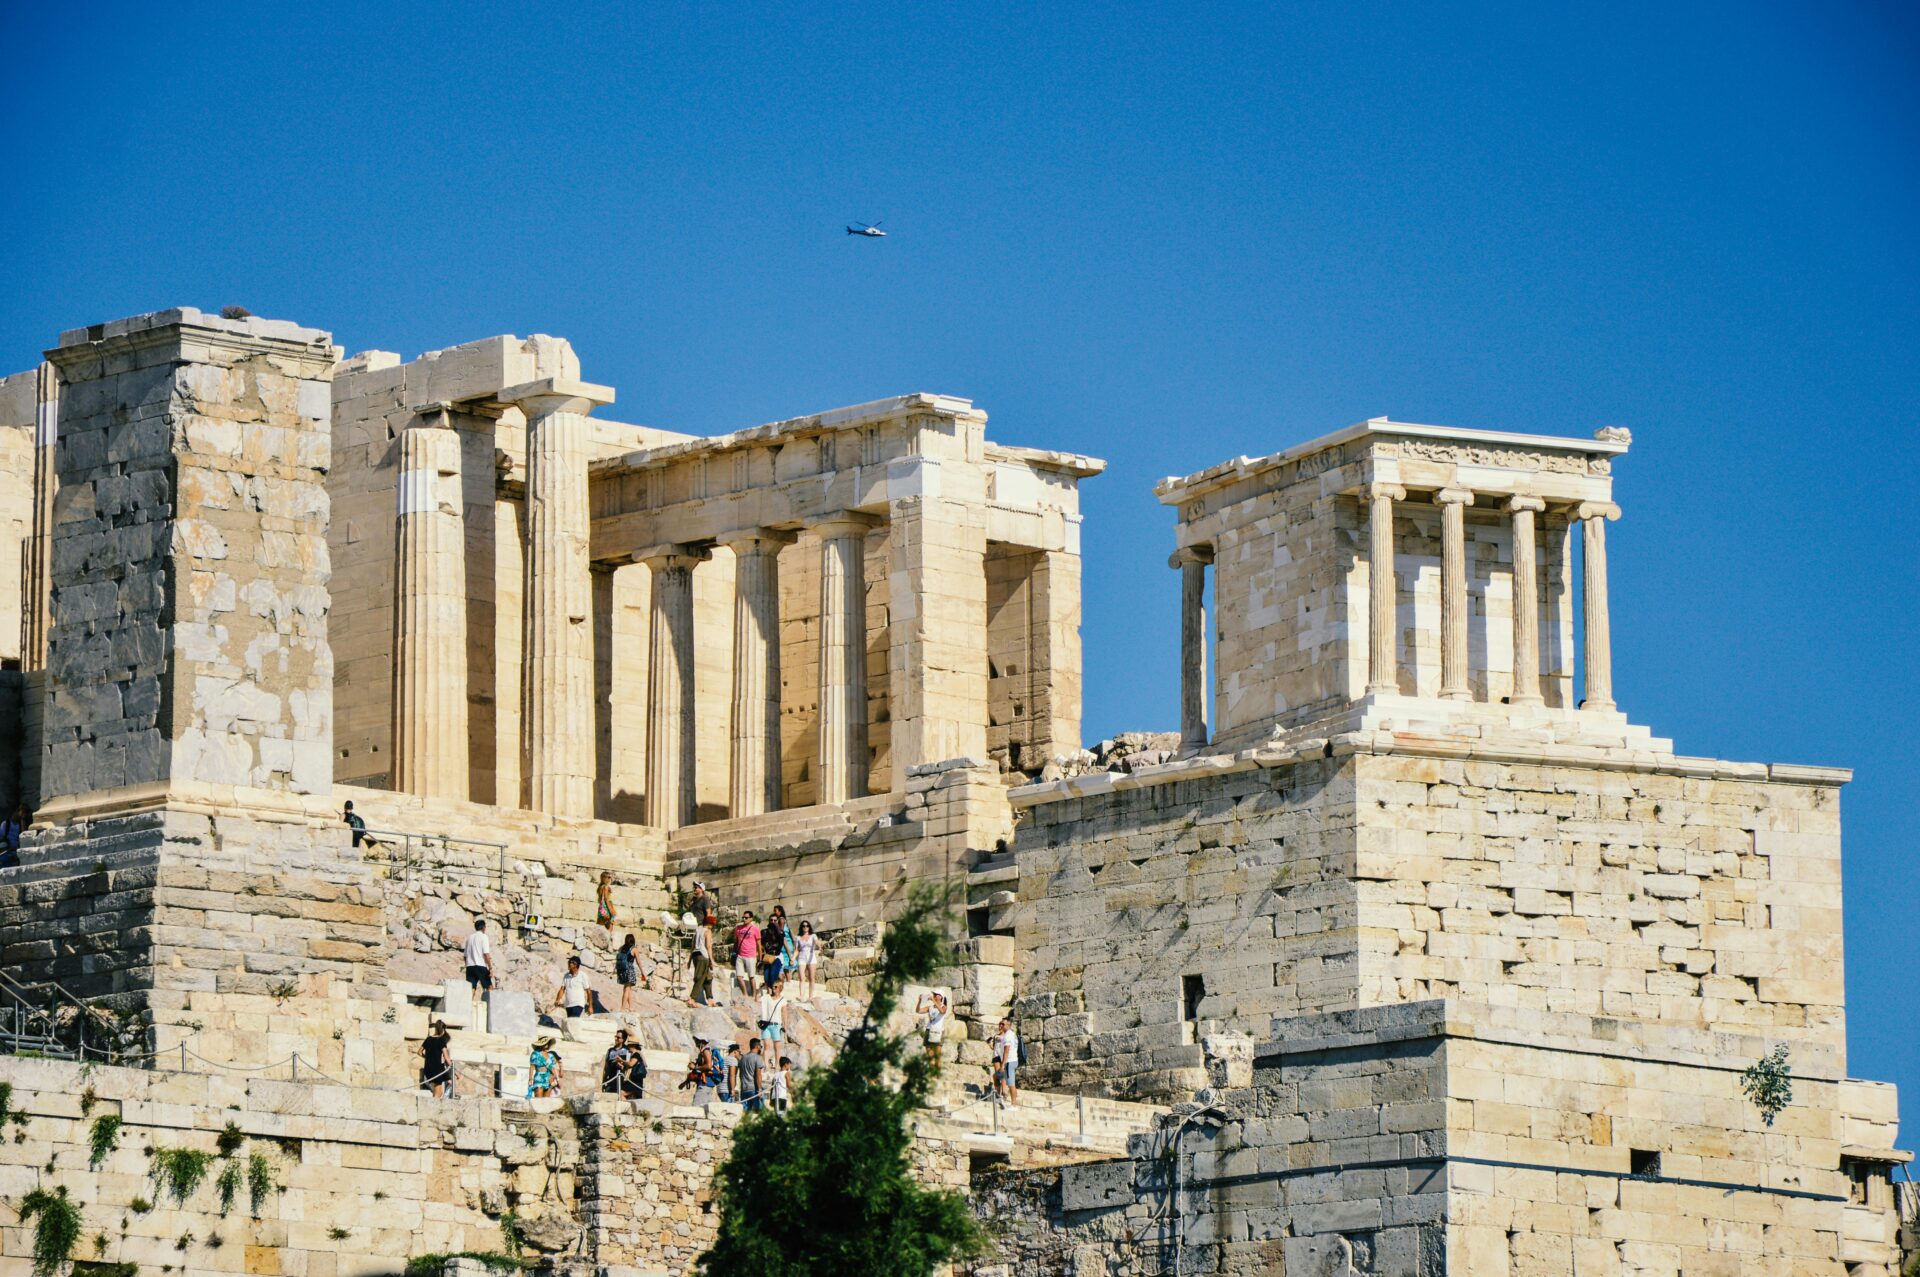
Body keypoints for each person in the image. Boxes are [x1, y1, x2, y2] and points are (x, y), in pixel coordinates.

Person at [915, 990, 949, 1070]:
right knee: (930, 1056)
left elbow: (942, 1011)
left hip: (939, 1032)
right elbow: (918, 1011)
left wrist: (932, 1000)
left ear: (940, 997)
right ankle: (932, 1074)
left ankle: (938, 1074)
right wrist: (919, 1001)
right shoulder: (930, 1007)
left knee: (937, 1056)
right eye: (934, 994)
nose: (933, 995)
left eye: (935, 994)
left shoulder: (944, 1006)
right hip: (929, 1030)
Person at [602, 1028, 641, 1096]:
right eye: (616, 1037)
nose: (616, 1039)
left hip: (622, 1080)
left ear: (623, 1039)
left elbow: (630, 1064)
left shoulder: (627, 1050)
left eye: (618, 1037)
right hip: (611, 1080)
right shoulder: (610, 1050)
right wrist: (604, 1081)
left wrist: (624, 1029)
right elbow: (607, 1067)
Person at [553, 954, 591, 1023]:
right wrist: (557, 1000)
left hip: (578, 1004)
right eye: (569, 962)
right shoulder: (566, 976)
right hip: (568, 1005)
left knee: (573, 1023)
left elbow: (588, 991)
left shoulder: (582, 976)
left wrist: (590, 1006)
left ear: (576, 965)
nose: (569, 964)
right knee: (570, 1023)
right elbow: (562, 989)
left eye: (571, 962)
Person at [420, 1020, 453, 1098]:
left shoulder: (428, 1039)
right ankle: (432, 1109)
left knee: (438, 1092)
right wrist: (454, 1070)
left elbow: (419, 1052)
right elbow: (446, 1057)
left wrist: (427, 1057)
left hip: (428, 1068)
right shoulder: (441, 1040)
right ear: (443, 1029)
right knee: (438, 1093)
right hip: (437, 1069)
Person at [732, 911, 762, 997]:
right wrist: (734, 952)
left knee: (751, 976)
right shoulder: (738, 928)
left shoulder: (755, 929)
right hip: (740, 955)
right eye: (743, 917)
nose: (744, 919)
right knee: (739, 977)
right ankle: (745, 994)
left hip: (751, 956)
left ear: (751, 919)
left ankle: (754, 995)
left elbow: (759, 944)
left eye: (746, 917)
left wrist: (760, 958)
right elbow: (736, 941)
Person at [689, 912, 715, 1007]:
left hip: (696, 955)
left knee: (708, 977)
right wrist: (711, 961)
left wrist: (689, 960)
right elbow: (708, 946)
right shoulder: (708, 931)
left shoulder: (697, 930)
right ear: (710, 924)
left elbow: (692, 946)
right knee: (700, 978)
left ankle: (710, 999)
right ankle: (692, 999)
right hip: (703, 956)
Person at [994, 1018, 1020, 1107]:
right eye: (1000, 1023)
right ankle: (1008, 1100)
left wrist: (1003, 1064)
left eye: (1003, 1024)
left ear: (1008, 1025)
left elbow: (1006, 1050)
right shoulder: (1011, 1034)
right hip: (1013, 1060)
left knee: (1011, 1084)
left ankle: (1014, 1104)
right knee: (1002, 1079)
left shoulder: (1008, 1035)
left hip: (1009, 1061)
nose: (1001, 1025)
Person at [757, 977, 790, 1050]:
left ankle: (777, 1062)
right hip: (766, 1024)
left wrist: (785, 1027)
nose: (773, 988)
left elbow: (784, 1014)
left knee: (777, 1047)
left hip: (776, 1025)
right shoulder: (767, 997)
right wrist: (760, 989)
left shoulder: (783, 1000)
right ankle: (765, 1061)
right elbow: (757, 999)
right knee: (766, 1046)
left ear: (780, 988)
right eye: (773, 986)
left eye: (775, 987)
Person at [615, 933, 644, 1011]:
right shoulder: (634, 949)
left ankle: (631, 1007)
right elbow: (638, 962)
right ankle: (622, 1008)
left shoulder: (621, 948)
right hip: (629, 970)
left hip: (621, 970)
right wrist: (642, 973)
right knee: (627, 989)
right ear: (633, 940)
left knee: (629, 988)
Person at [463, 919, 494, 992]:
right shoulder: (484, 937)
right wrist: (490, 968)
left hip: (470, 967)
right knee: (489, 987)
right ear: (483, 927)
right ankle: (490, 1003)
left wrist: (466, 965)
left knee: (471, 988)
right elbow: (486, 954)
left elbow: (465, 956)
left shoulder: (469, 938)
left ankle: (468, 1003)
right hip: (480, 966)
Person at [761, 907, 788, 990]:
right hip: (768, 957)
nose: (773, 922)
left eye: (775, 920)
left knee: (773, 977)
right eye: (771, 920)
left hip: (777, 957)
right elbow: (761, 944)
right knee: (766, 977)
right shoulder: (764, 932)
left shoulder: (780, 933)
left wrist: (791, 958)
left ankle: (775, 993)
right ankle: (770, 992)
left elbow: (783, 943)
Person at [737, 1037, 765, 1112]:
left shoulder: (743, 1058)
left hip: (744, 1088)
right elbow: (758, 1075)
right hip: (754, 1089)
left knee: (746, 1114)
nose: (761, 1048)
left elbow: (740, 1074)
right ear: (757, 1046)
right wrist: (759, 1090)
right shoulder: (758, 1057)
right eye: (760, 1046)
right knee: (758, 1113)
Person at [794, 920, 818, 1001]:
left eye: (807, 926)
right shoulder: (798, 937)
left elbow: (816, 941)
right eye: (803, 926)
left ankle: (811, 996)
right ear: (801, 927)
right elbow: (796, 950)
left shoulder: (813, 936)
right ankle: (802, 996)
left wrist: (819, 945)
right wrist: (792, 958)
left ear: (809, 927)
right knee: (801, 977)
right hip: (802, 957)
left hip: (811, 957)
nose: (805, 927)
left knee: (811, 977)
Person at [0, 804, 27, 869]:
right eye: (22, 812)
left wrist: (22, 821)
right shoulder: (5, 824)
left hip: (16, 853)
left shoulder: (21, 825)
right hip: (6, 852)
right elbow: (1, 839)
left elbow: (23, 836)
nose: (23, 815)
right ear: (16, 811)